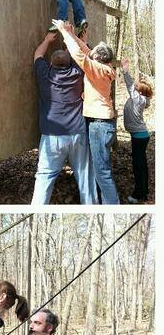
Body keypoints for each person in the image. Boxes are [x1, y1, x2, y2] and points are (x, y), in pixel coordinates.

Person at [53, 20, 119, 204]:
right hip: (101, 124)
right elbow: (87, 51)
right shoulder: (103, 67)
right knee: (102, 171)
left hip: (99, 125)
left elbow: (79, 55)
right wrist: (72, 33)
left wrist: (63, 33)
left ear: (98, 58)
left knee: (103, 174)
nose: (91, 52)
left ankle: (112, 206)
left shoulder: (97, 69)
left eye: (94, 53)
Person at [31, 32, 98, 204]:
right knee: (85, 179)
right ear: (70, 62)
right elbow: (85, 56)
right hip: (78, 135)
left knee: (44, 179)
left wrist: (46, 40)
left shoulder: (45, 74)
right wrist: (75, 39)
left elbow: (37, 55)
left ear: (50, 63)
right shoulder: (77, 72)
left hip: (51, 138)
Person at [120, 59, 153, 203]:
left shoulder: (139, 100)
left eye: (137, 87)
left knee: (138, 166)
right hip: (140, 135)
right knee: (141, 165)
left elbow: (129, 85)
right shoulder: (138, 99)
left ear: (140, 91)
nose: (135, 87)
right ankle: (143, 192)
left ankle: (138, 194)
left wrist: (125, 70)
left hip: (139, 136)